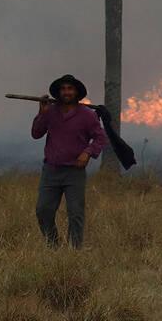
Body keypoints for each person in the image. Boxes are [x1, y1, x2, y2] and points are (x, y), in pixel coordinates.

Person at [31, 74, 107, 248]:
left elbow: (100, 138)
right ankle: (53, 246)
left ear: (76, 92)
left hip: (74, 172)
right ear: (58, 92)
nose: (66, 92)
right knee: (43, 211)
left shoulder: (87, 115)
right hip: (51, 170)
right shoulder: (50, 112)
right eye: (63, 89)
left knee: (75, 214)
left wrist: (87, 152)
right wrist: (41, 113)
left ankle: (74, 251)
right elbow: (36, 134)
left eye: (70, 88)